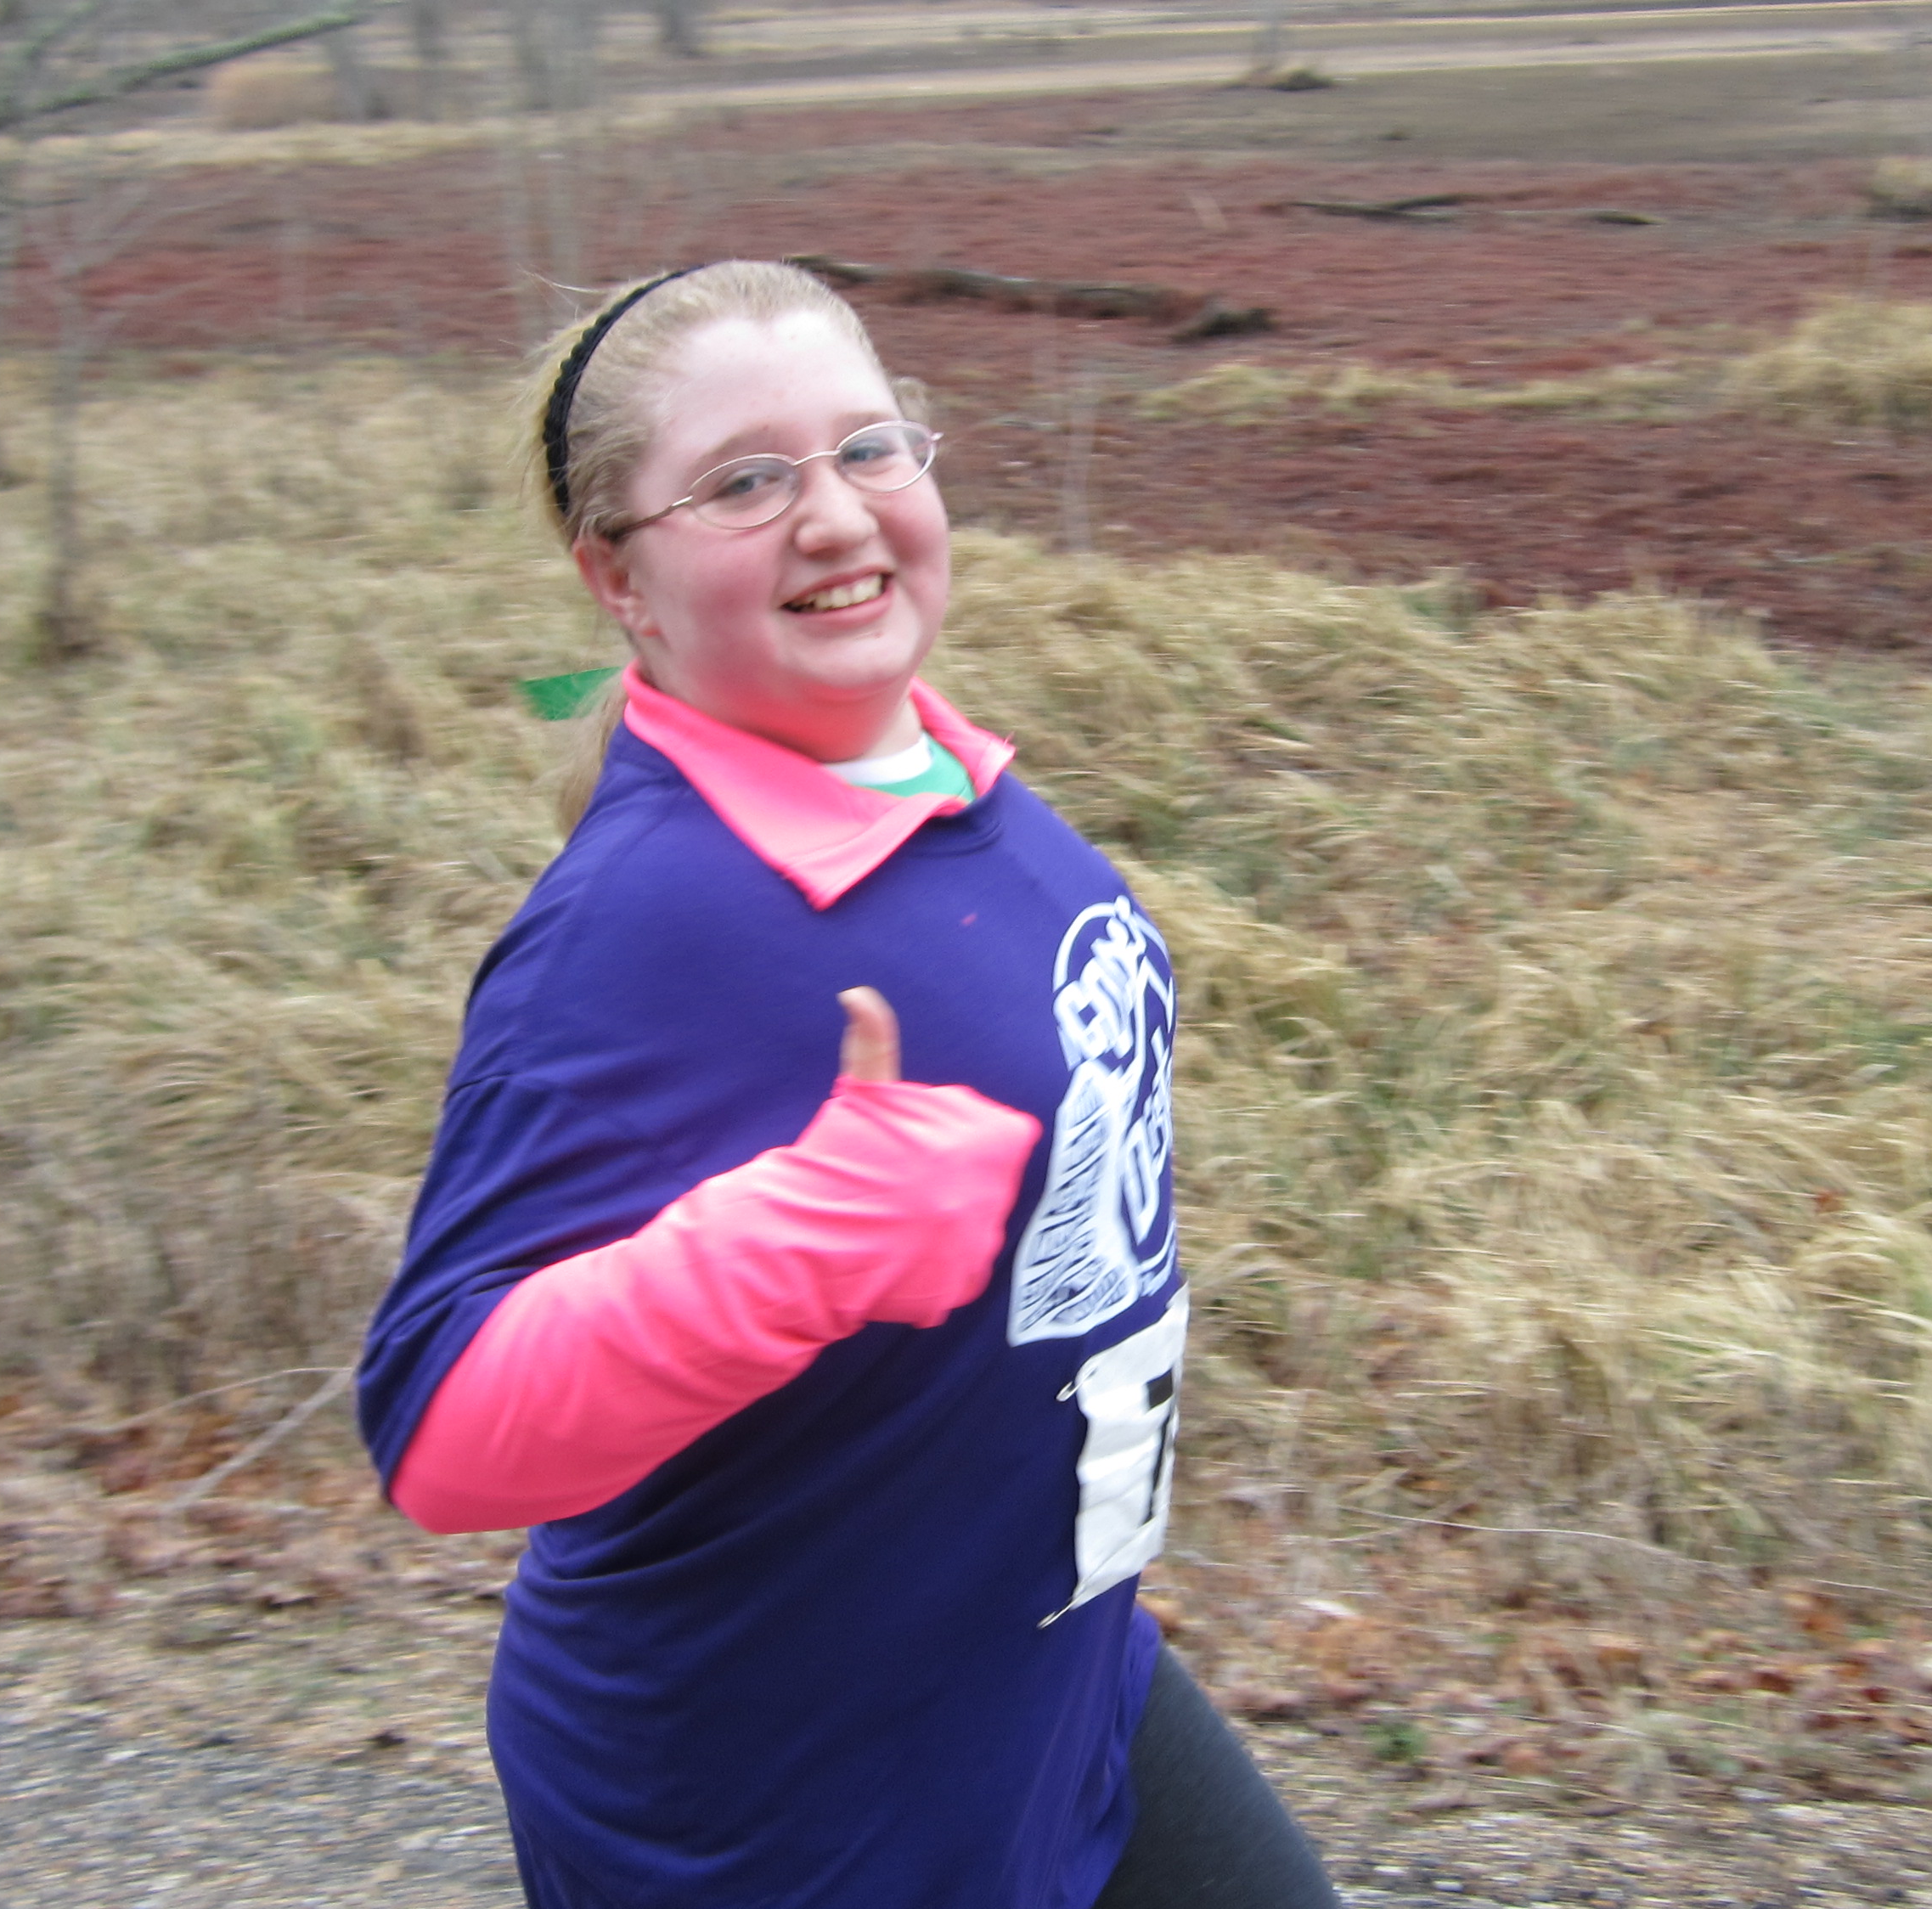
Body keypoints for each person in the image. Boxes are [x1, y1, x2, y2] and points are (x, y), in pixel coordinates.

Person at [354, 260, 1341, 1909]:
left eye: (868, 448)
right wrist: (804, 1238)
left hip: (1046, 1681)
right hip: (785, 1804)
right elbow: (439, 1430)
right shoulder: (646, 918)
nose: (833, 516)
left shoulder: (957, 783)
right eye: (744, 482)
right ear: (619, 577)